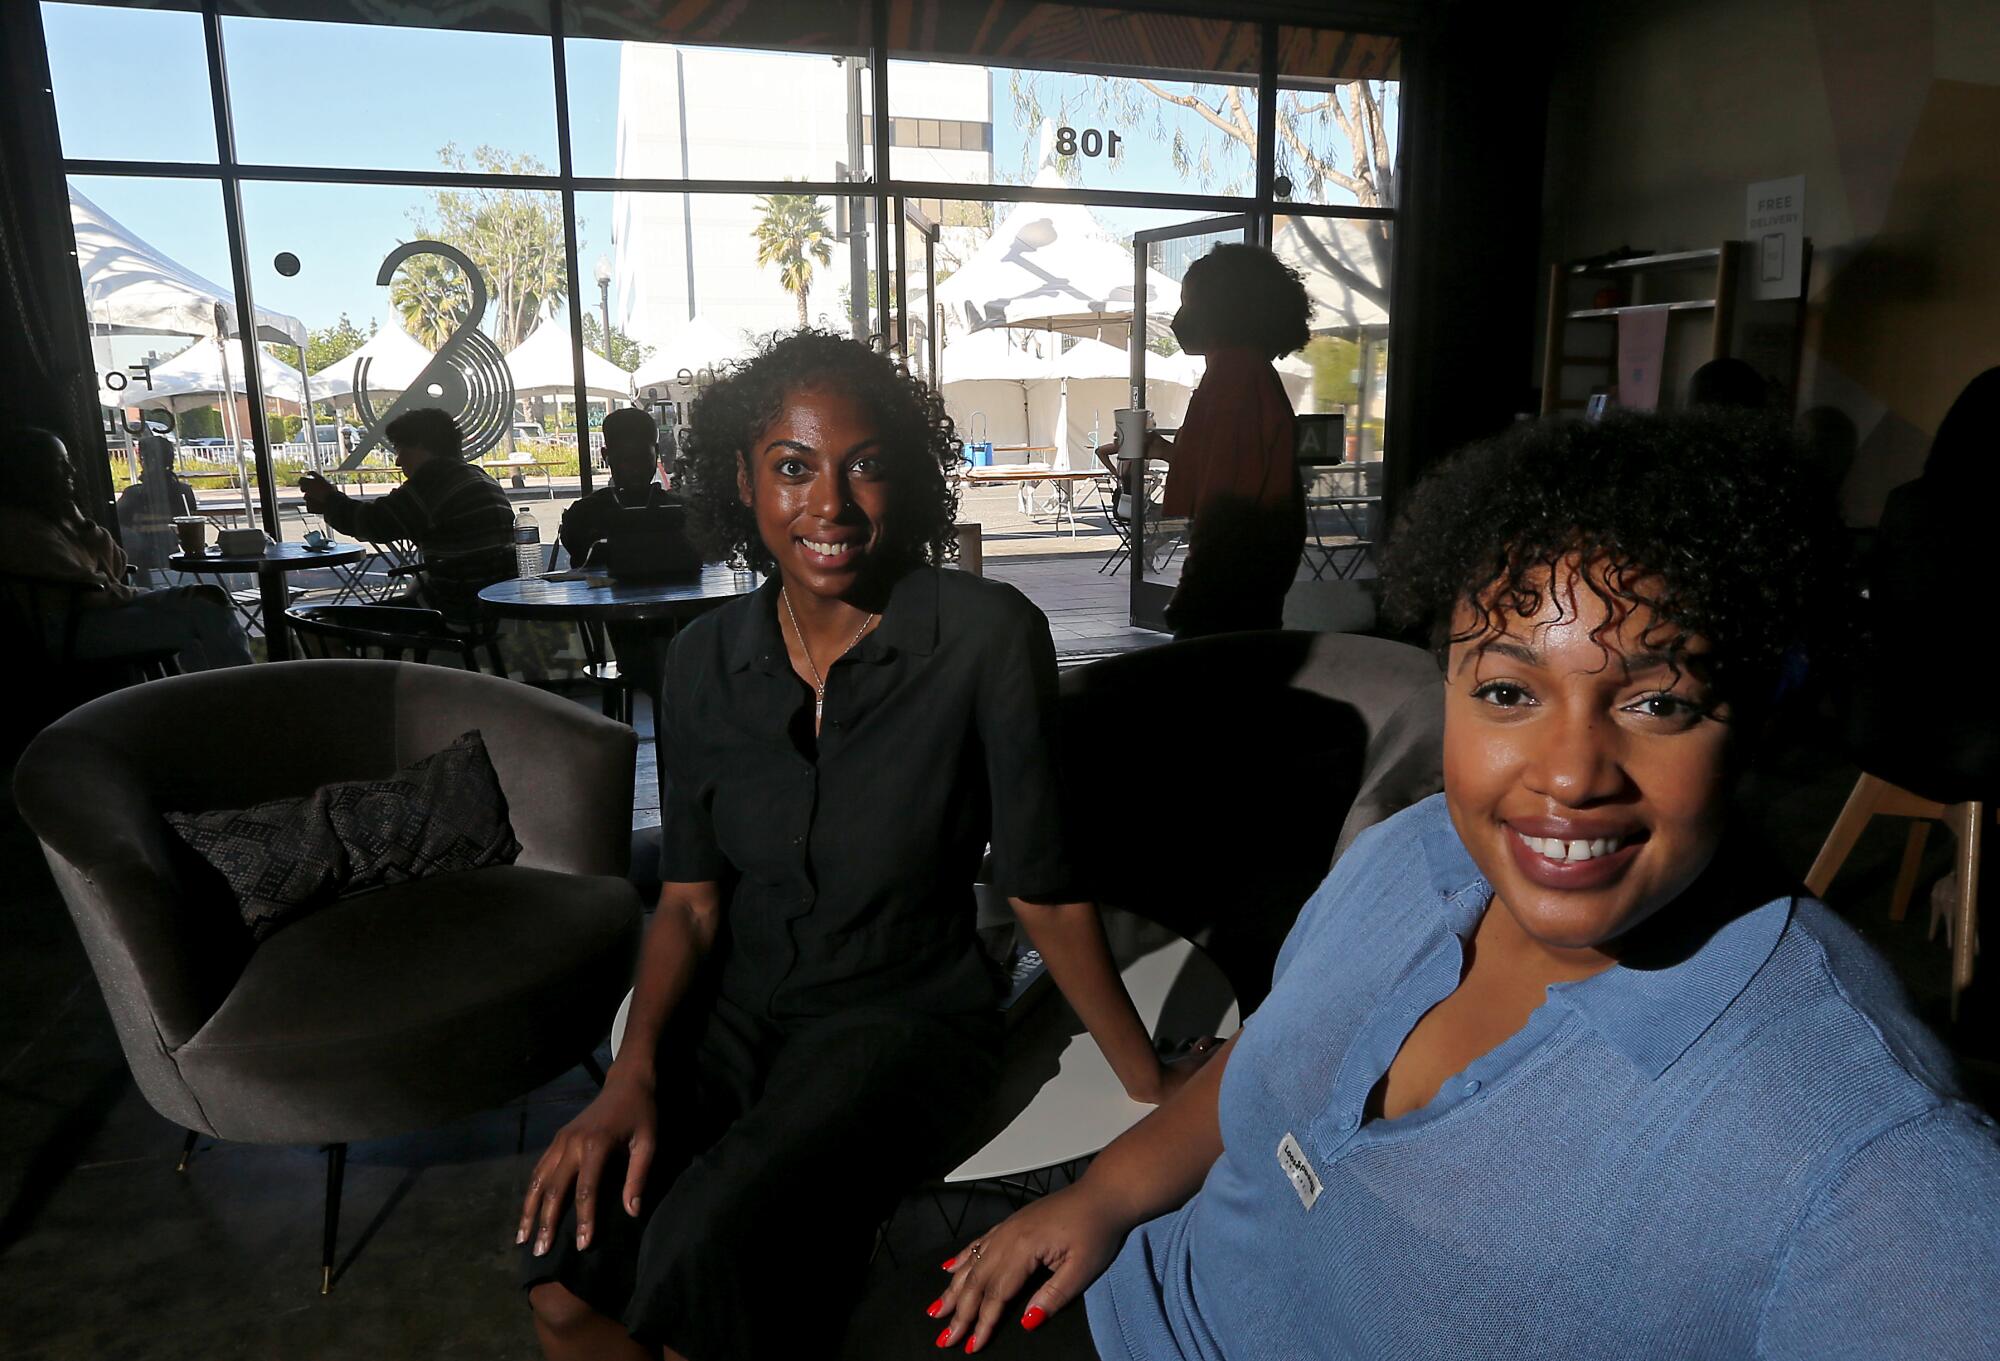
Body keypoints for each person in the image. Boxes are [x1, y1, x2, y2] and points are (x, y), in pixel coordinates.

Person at [928, 408, 2000, 1358]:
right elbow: (1278, 1048)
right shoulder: (1406, 856)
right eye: (1504, 689)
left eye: (1656, 702)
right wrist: (1103, 1193)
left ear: (1757, 720)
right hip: (1131, 1294)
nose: (1570, 773)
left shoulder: (1871, 1161)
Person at [516, 331, 1215, 1361]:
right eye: (793, 468)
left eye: (865, 465)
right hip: (734, 1011)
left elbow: (1038, 889)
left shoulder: (981, 633)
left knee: (699, 1261)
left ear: (908, 477)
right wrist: (631, 1072)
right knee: (563, 1277)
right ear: (741, 482)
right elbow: (690, 901)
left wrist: (1147, 1079)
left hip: (900, 1021)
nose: (830, 504)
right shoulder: (703, 659)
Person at [1095, 244, 1312, 638]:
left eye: (1188, 302)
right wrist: (1166, 452)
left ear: (1223, 309)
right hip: (1254, 582)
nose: (1180, 317)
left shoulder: (1234, 379)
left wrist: (1191, 600)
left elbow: (1228, 508)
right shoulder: (1249, 374)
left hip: (1232, 589)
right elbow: (1237, 469)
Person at [0, 427, 250, 669]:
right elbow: (92, 593)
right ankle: (236, 692)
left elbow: (116, 567)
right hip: (69, 631)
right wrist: (165, 597)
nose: (71, 470)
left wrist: (82, 523)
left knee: (206, 607)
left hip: (89, 618)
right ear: (32, 472)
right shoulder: (21, 529)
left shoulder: (59, 518)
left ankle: (208, 693)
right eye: (60, 463)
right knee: (206, 613)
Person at [297, 407, 514, 622]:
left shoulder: (434, 481)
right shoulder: (476, 477)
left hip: (453, 607)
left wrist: (329, 498)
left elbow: (373, 523)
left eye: (400, 449)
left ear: (420, 445)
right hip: (491, 604)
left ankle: (353, 657)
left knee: (317, 622)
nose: (398, 461)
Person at [558, 406, 679, 566]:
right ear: (606, 456)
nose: (635, 468)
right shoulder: (678, 510)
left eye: (642, 458)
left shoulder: (582, 515)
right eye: (626, 459)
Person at [114, 427, 198, 576]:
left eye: (142, 458)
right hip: (177, 555)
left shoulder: (133, 494)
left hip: (142, 561)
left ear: (145, 461)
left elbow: (116, 525)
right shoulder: (184, 491)